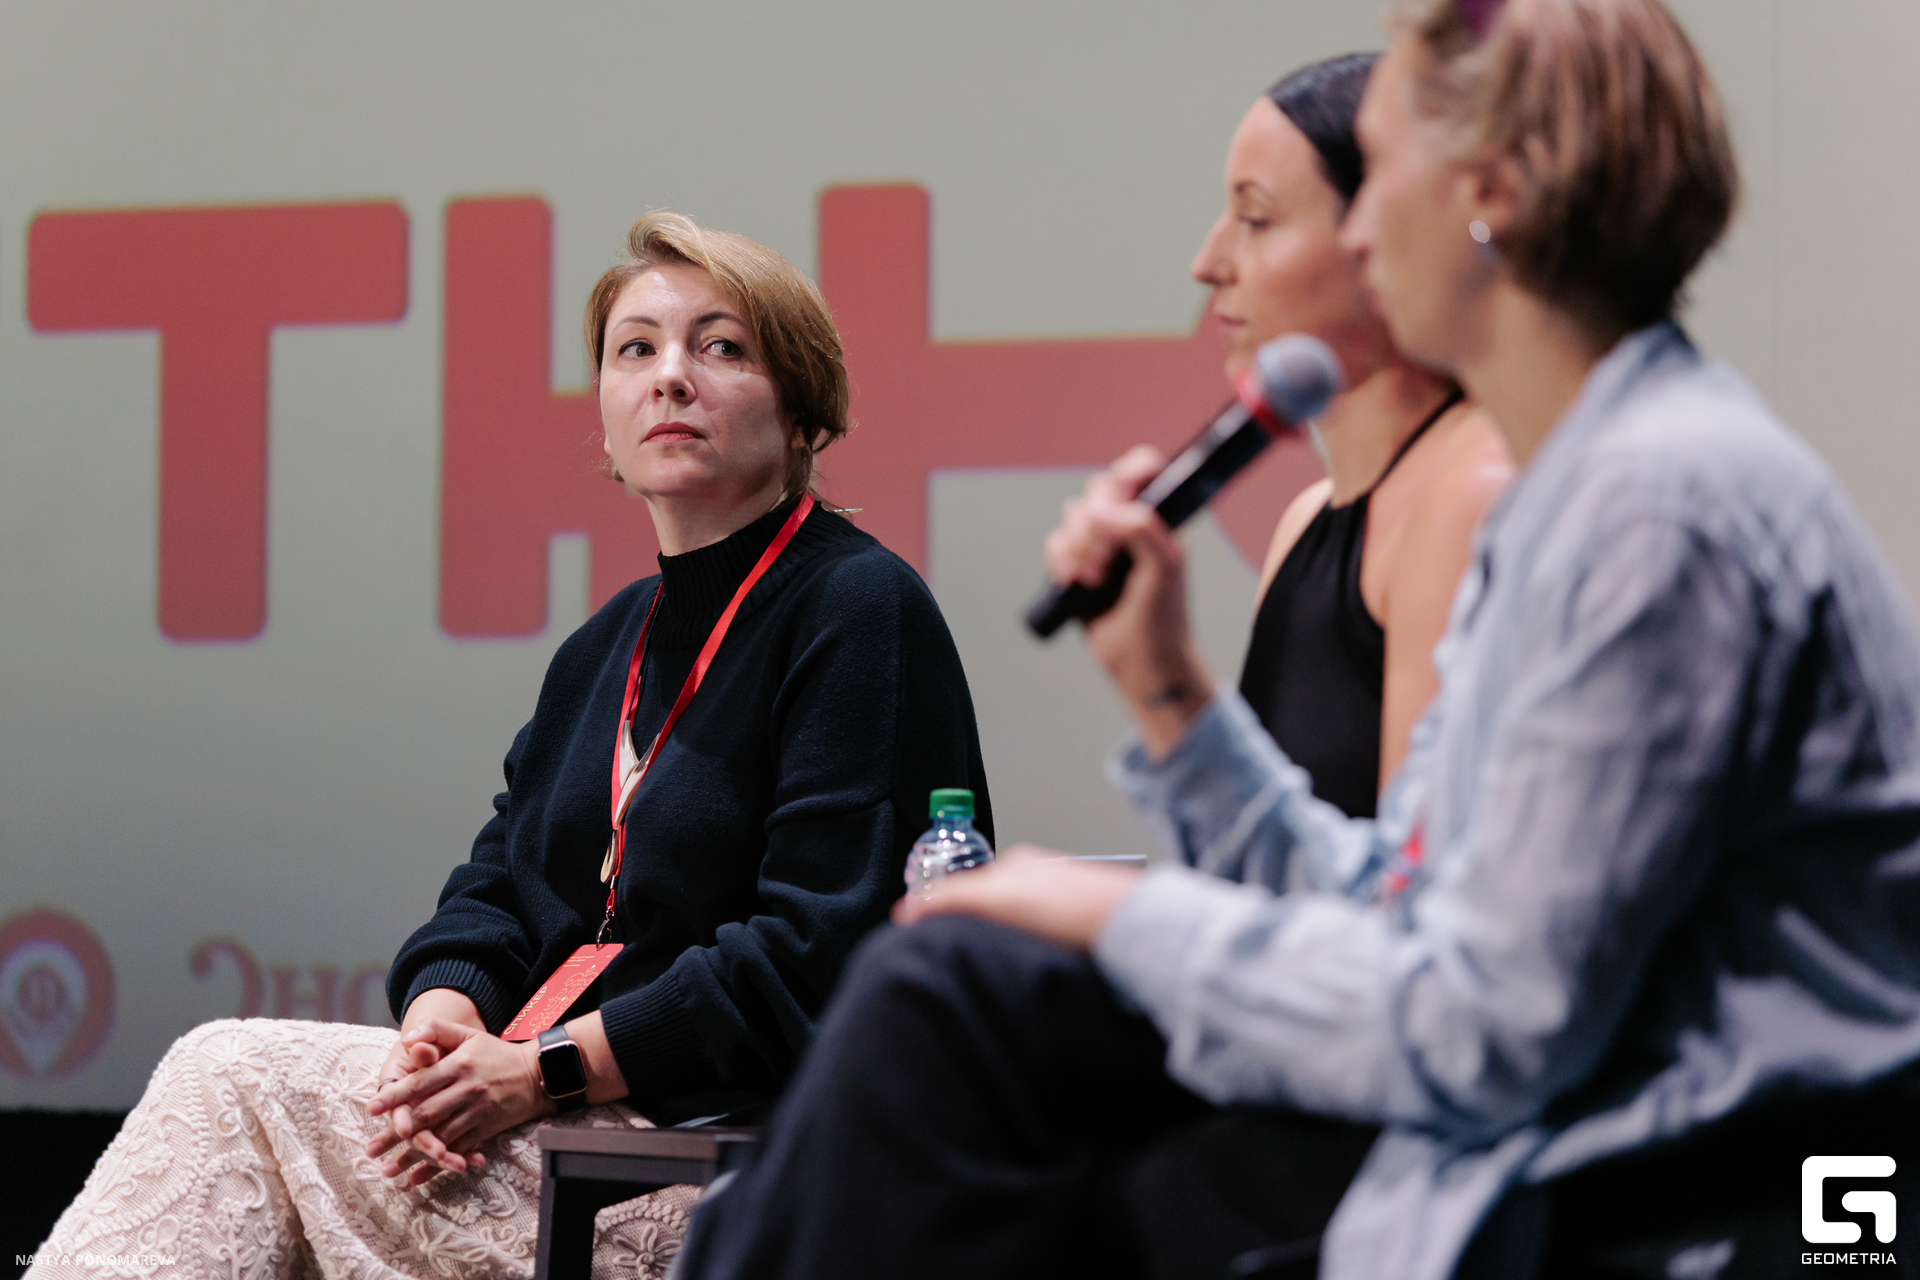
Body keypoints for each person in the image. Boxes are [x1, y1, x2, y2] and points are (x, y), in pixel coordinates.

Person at [674, 2, 1920, 1278]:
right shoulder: (1583, 493)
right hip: (1541, 1157)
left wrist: (1121, 910)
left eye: (1381, 183)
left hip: (1664, 1202)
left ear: (1491, 195)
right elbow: (1400, 906)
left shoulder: (1653, 509)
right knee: (957, 1007)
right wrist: (1167, 690)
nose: (1365, 232)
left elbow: (1482, 1024)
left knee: (961, 1012)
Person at [27, 213, 991, 1280]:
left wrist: (542, 1071)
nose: (671, 377)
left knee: (233, 1076)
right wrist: (437, 1037)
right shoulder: (604, 647)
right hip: (560, 1128)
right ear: (606, 420)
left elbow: (816, 953)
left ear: (803, 411)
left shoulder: (857, 606)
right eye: (636, 349)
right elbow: (494, 891)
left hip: (732, 1165)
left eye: (721, 346)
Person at [1057, 54, 1509, 818]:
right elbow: (1278, 863)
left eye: (1257, 219)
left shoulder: (1470, 496)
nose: (1209, 264)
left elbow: (1408, 879)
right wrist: (1157, 676)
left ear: (1381, 235)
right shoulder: (1306, 521)